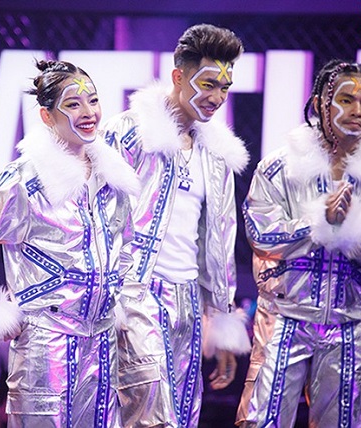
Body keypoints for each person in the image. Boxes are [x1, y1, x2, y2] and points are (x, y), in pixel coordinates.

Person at [0, 59, 139, 427]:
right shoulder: (26, 179)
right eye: (73, 104)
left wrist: (123, 302)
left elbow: (127, 245)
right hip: (46, 345)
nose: (89, 113)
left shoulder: (112, 178)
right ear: (47, 116)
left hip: (102, 344)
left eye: (93, 101)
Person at [235, 59, 361, 427]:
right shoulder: (280, 167)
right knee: (261, 420)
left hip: (348, 322)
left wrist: (349, 228)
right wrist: (318, 222)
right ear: (319, 104)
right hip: (284, 317)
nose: (357, 111)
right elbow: (260, 234)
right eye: (346, 100)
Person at [102, 23, 252, 427]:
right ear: (178, 76)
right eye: (208, 84)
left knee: (184, 415)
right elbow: (96, 218)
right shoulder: (129, 134)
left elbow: (220, 241)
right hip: (136, 294)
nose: (216, 97)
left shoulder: (216, 154)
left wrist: (221, 320)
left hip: (189, 300)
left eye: (224, 87)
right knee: (150, 415)